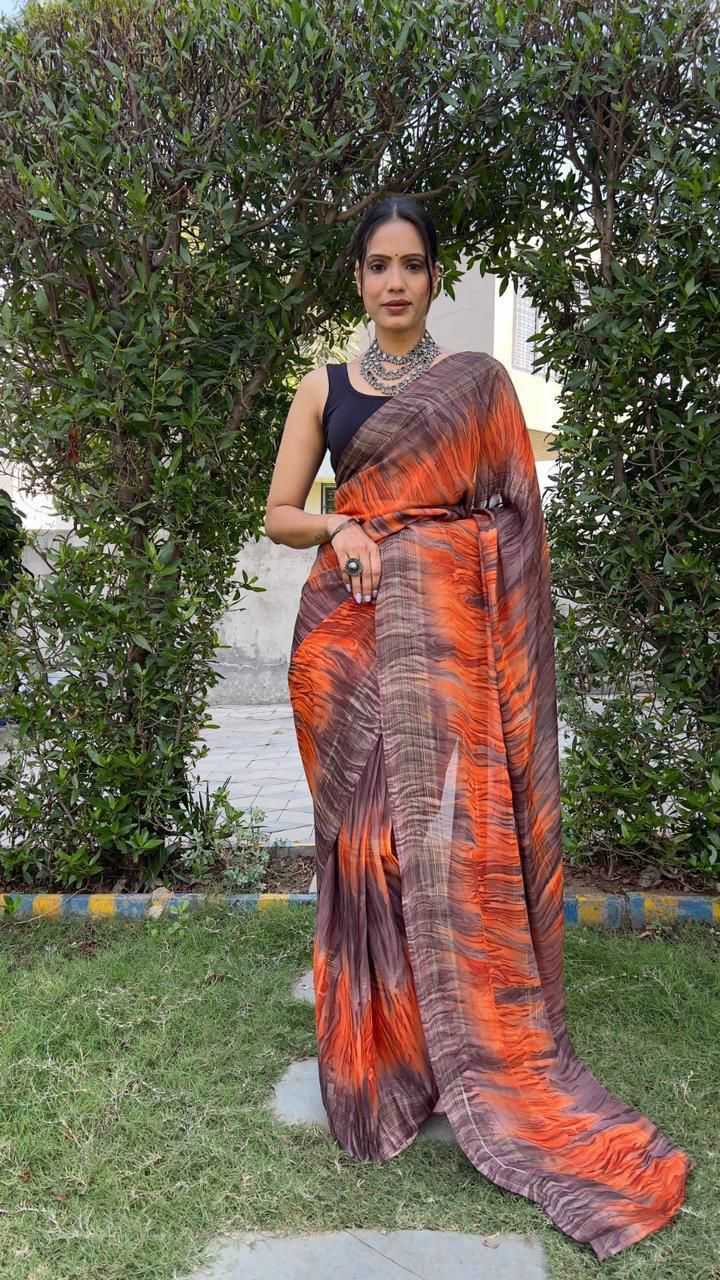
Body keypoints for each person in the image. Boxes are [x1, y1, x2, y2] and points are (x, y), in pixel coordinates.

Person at [263, 195, 694, 1262]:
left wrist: (443, 553)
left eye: (411, 264)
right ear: (357, 277)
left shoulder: (477, 388)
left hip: (449, 639)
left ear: (433, 276)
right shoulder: (325, 387)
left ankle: (449, 1048)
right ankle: (381, 1060)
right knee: (365, 845)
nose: (394, 282)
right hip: (344, 643)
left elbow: (512, 513)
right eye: (378, 265)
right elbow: (279, 513)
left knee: (441, 846)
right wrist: (344, 521)